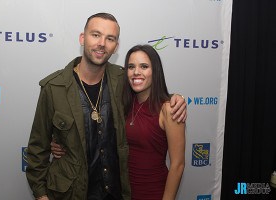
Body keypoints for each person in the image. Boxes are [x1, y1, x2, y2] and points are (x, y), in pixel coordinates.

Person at [26, 13, 187, 200]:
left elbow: (149, 89)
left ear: (115, 47)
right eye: (95, 35)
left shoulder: (122, 80)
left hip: (117, 193)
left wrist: (177, 98)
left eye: (110, 38)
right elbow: (37, 149)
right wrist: (41, 195)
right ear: (82, 38)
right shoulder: (54, 88)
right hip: (71, 193)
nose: (102, 43)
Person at [123, 45, 185, 199]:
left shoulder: (169, 109)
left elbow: (177, 165)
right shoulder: (125, 104)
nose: (136, 72)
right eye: (131, 67)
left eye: (144, 66)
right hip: (124, 192)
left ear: (155, 71)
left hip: (153, 193)